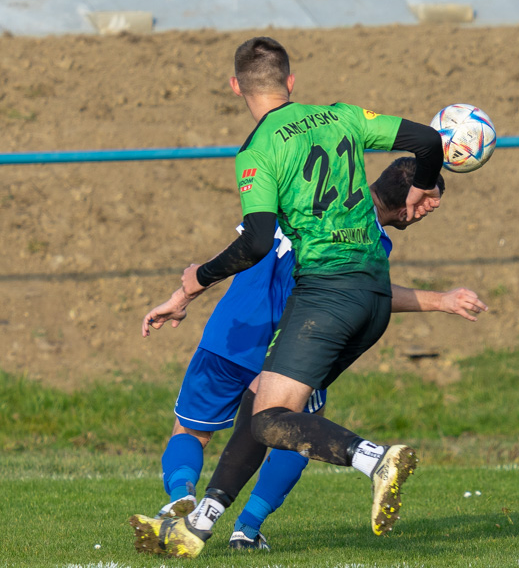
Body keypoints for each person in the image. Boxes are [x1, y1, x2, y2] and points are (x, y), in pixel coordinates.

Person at [131, 36, 458, 558]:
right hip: (354, 300)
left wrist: (192, 284)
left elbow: (256, 242)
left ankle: (367, 460)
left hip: (290, 309)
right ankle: (222, 523)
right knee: (275, 418)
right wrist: (428, 179)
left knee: (239, 423)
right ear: (292, 80)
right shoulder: (344, 119)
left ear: (235, 86)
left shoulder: (260, 155)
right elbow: (426, 139)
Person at [142, 156, 487, 551]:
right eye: (428, 203)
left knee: (191, 430)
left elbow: (244, 247)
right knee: (295, 429)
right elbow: (364, 293)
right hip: (292, 342)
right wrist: (439, 300)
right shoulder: (366, 235)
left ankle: (180, 495)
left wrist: (186, 292)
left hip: (229, 334)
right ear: (413, 202)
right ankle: (247, 529)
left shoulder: (299, 198)